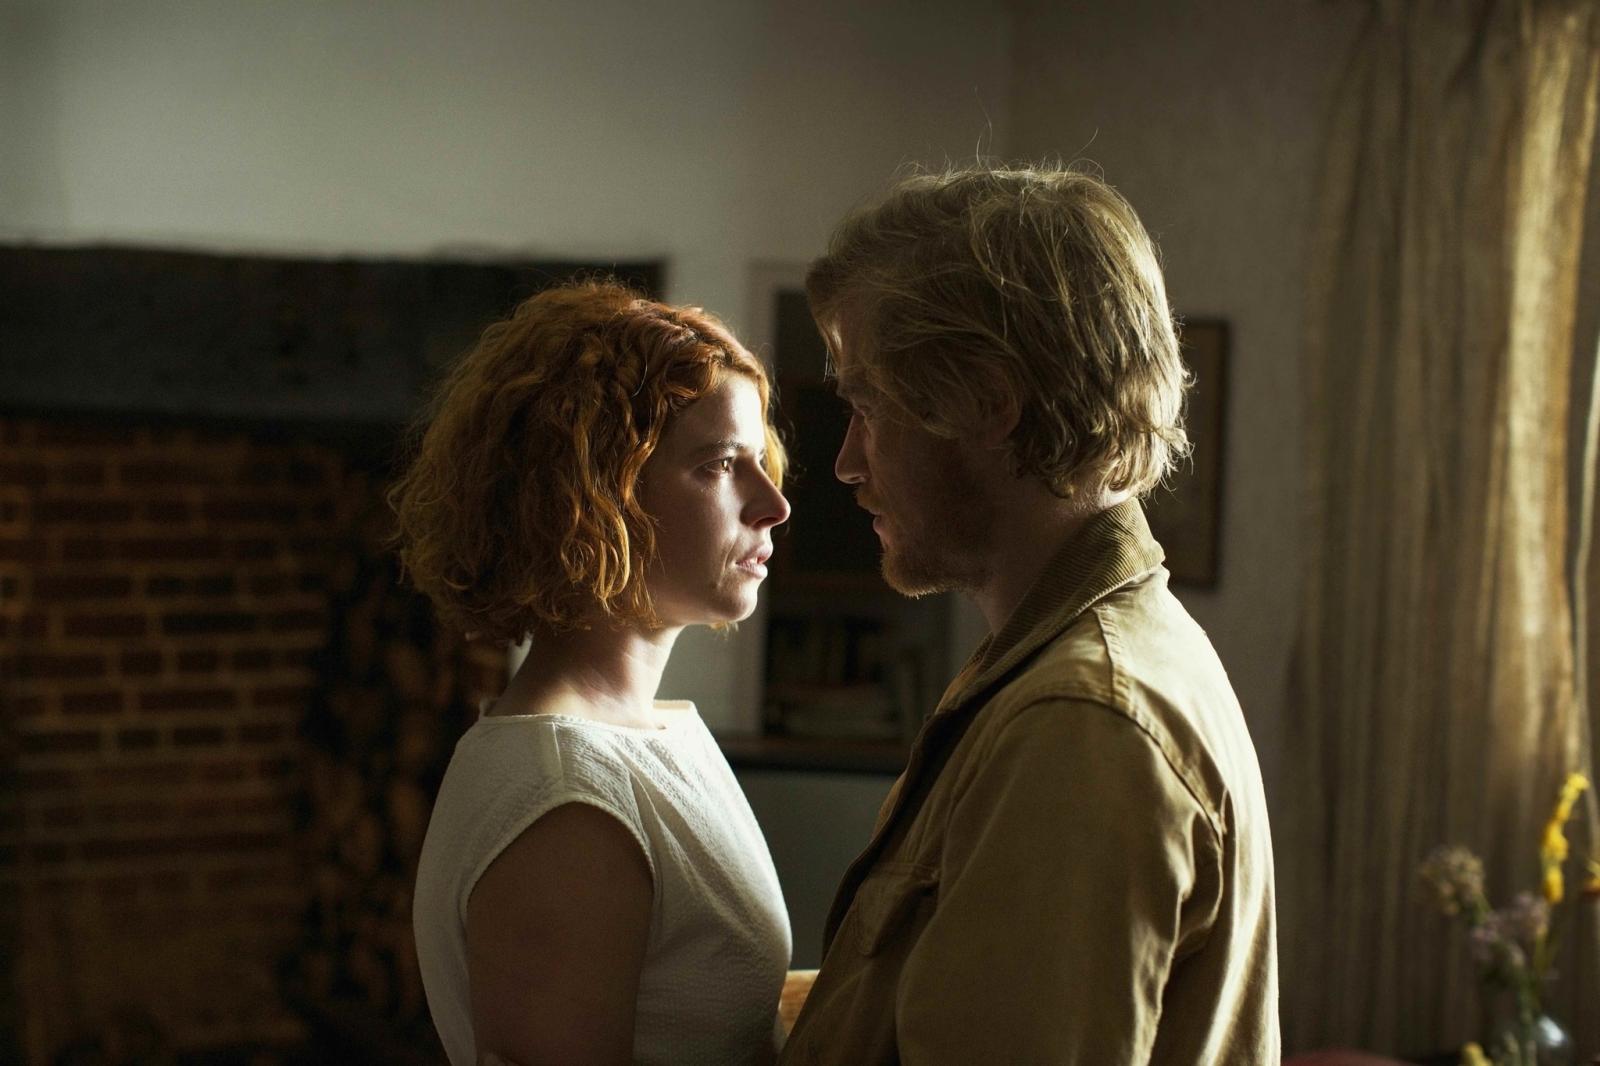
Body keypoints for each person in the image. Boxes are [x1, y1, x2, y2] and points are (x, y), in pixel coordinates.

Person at [778, 165, 1279, 1064]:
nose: (848, 461)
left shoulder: (1080, 721)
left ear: (989, 402)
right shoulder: (1065, 668)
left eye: (868, 405)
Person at [393, 280, 794, 1066]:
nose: (772, 503)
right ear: (591, 496)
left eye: (760, 459)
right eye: (720, 464)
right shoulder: (568, 801)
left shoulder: (649, 735)